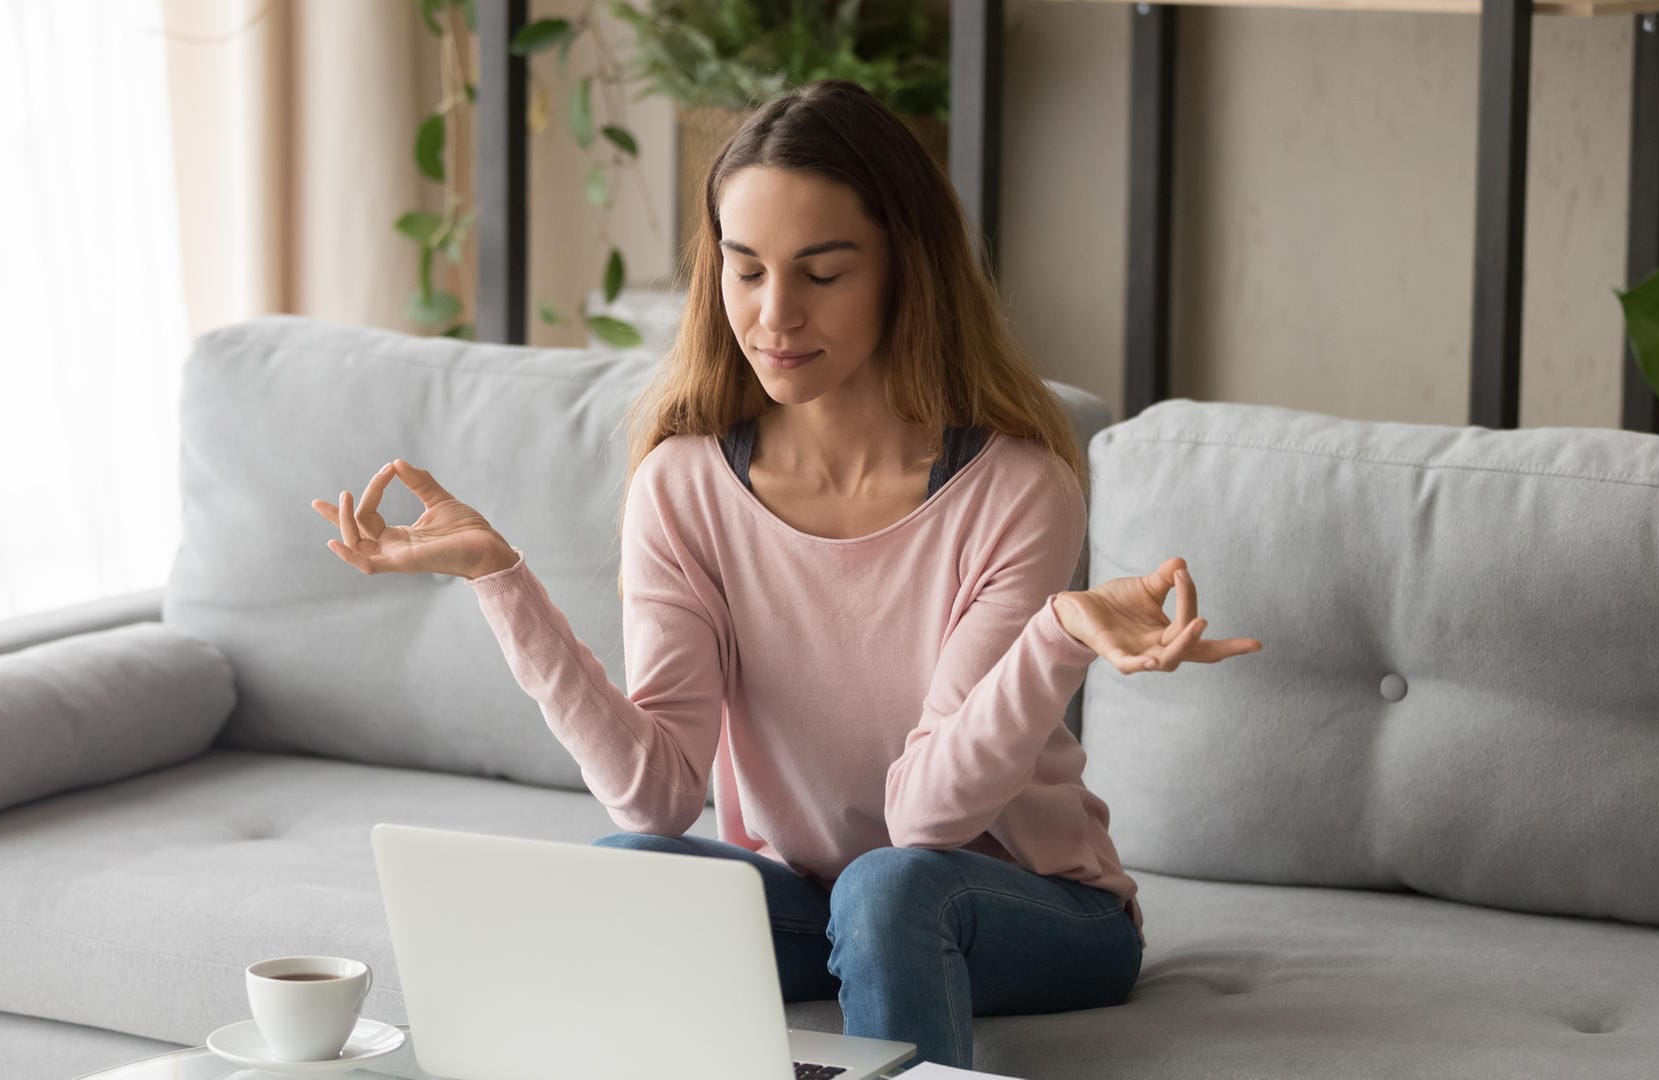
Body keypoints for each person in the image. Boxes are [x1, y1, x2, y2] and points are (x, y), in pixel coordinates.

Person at [312, 79, 1262, 1072]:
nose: (774, 315)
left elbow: (928, 819)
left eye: (822, 272)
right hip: (814, 904)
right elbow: (655, 798)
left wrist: (1061, 631)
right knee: (629, 873)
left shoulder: (1015, 490)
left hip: (1037, 913)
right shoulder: (683, 482)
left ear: (905, 269)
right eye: (746, 268)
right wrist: (498, 576)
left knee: (893, 886)